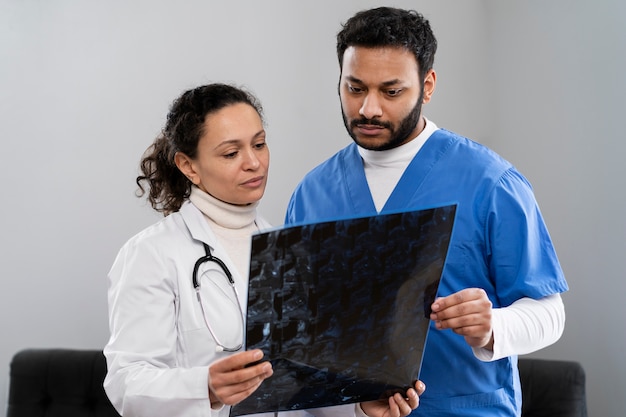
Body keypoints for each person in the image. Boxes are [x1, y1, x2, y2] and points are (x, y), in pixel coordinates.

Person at [284, 7, 568, 417]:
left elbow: (550, 313)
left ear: (428, 85)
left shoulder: (491, 183)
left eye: (391, 91)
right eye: (355, 88)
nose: (368, 109)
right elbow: (299, 338)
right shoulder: (311, 194)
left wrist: (493, 327)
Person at [103, 83, 424, 417]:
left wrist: (359, 406)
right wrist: (206, 388)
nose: (254, 162)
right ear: (188, 166)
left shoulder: (289, 249)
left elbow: (303, 379)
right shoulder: (152, 254)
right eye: (231, 153)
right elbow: (126, 384)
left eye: (259, 144)